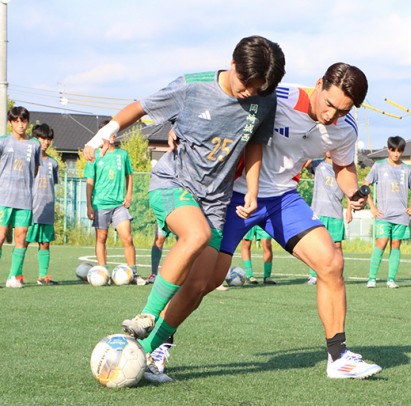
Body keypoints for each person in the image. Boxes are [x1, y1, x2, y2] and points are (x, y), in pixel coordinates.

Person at [142, 63, 382, 380]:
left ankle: (339, 358)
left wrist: (352, 190)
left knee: (331, 262)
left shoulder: (345, 128)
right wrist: (180, 127)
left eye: (342, 110)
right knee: (203, 282)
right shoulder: (277, 97)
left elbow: (343, 165)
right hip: (232, 196)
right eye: (329, 104)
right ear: (319, 84)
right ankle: (154, 346)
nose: (330, 116)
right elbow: (225, 93)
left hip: (283, 199)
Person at [83, 36, 286, 380]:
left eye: (259, 88)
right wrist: (104, 132)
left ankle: (144, 356)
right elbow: (141, 107)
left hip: (216, 199)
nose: (250, 93)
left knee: (202, 284)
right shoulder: (192, 86)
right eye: (245, 84)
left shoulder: (264, 100)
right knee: (196, 235)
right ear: (233, 65)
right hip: (173, 183)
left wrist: (251, 192)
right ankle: (146, 316)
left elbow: (254, 146)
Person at [84, 120, 144, 285]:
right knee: (101, 238)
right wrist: (89, 205)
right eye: (108, 132)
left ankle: (134, 273)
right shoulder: (94, 155)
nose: (112, 135)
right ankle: (103, 273)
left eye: (114, 132)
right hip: (100, 204)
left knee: (128, 238)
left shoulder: (122, 154)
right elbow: (89, 182)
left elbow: (129, 175)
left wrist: (129, 195)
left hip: (119, 205)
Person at [363, 136, 411, 289]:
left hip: (401, 215)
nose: (396, 154)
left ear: (402, 151)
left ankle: (391, 279)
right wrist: (372, 207)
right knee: (381, 243)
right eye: (393, 150)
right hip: (383, 214)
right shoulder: (378, 166)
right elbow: (365, 186)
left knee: (396, 244)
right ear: (388, 149)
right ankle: (372, 278)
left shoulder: (407, 169)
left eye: (399, 151)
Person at [0, 106, 41, 288]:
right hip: (3, 198)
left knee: (21, 237)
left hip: (24, 199)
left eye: (23, 121)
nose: (21, 125)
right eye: (16, 121)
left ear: (27, 122)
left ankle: (13, 277)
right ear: (10, 123)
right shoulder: (1, 142)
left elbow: (35, 170)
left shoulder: (35, 144)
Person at [305, 152, 352, 285]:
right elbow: (306, 164)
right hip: (318, 211)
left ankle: (338, 274)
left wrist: (349, 210)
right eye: (327, 148)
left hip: (336, 212)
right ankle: (314, 275)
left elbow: (349, 189)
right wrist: (316, 149)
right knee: (315, 245)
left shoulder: (342, 168)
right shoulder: (318, 164)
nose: (329, 151)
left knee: (337, 245)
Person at [24, 124, 60, 285]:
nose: (45, 142)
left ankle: (42, 276)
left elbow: (54, 185)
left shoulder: (53, 163)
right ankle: (16, 275)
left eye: (48, 139)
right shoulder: (28, 160)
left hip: (46, 209)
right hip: (30, 209)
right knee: (22, 241)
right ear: (35, 139)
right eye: (42, 138)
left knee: (45, 243)